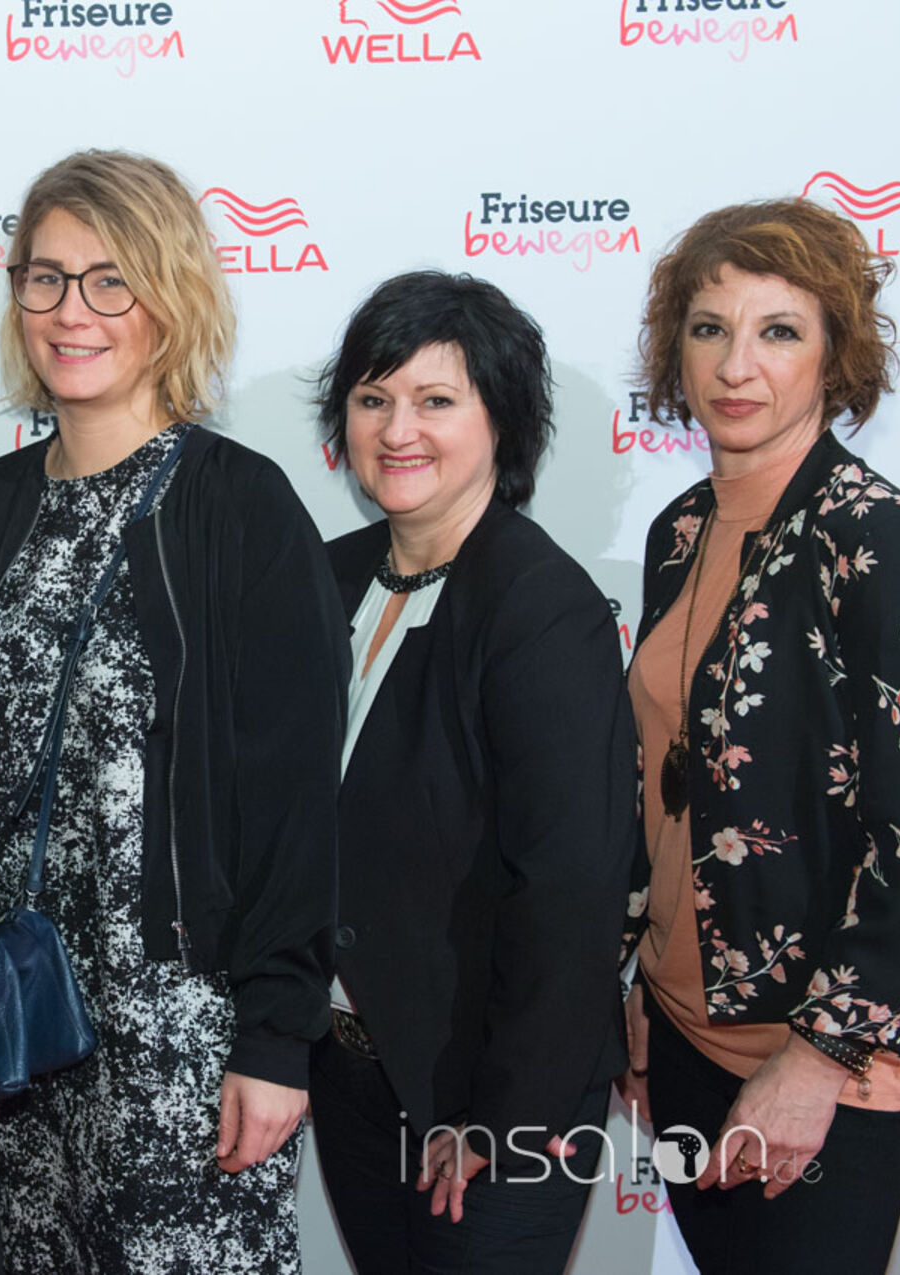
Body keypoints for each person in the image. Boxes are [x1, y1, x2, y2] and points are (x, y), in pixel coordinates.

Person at [0, 149, 346, 1275]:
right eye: (46, 277)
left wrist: (275, 1035)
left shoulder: (240, 509)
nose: (73, 311)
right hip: (21, 1037)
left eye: (112, 280)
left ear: (172, 296)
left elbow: (295, 799)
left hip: (182, 1040)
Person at [621, 198, 900, 1272]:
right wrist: (634, 988)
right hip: (680, 1032)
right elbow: (661, 783)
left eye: (779, 331)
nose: (737, 365)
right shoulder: (682, 529)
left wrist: (815, 1064)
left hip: (818, 1068)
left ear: (834, 355)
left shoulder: (885, 541)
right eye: (709, 328)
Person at [305, 270, 637, 1272]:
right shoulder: (328, 577)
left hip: (494, 1097)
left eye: (437, 400)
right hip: (354, 1075)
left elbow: (570, 892)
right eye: (374, 398)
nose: (398, 429)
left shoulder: (539, 607)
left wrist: (505, 1118)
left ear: (503, 421)